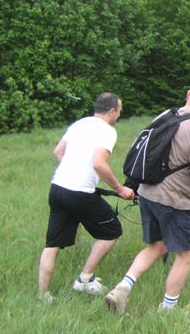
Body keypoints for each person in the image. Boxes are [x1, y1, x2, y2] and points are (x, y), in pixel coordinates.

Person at [104, 79, 190, 313]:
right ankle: (168, 309)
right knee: (188, 254)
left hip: (147, 194)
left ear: (188, 94)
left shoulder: (166, 115)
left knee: (158, 245)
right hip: (174, 201)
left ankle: (122, 289)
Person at [38, 93, 135, 304]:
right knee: (112, 231)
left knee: (52, 244)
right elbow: (99, 164)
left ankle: (43, 294)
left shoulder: (79, 124)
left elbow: (58, 152)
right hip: (79, 193)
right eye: (120, 110)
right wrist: (120, 189)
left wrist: (72, 170)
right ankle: (84, 279)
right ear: (111, 111)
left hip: (57, 188)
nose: (120, 114)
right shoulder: (107, 131)